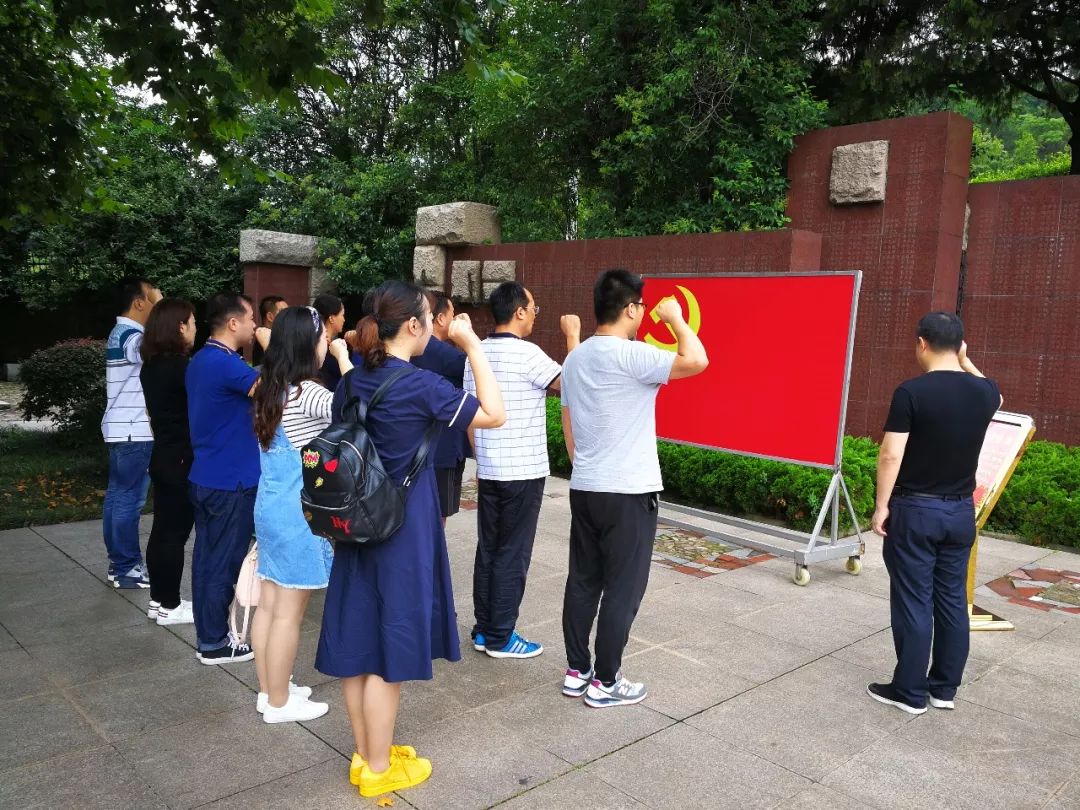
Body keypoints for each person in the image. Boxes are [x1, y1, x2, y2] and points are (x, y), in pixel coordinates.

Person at [315, 280, 505, 799]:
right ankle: (379, 769)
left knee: (357, 639)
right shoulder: (420, 385)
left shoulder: (353, 381)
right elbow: (493, 414)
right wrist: (473, 347)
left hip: (354, 525)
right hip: (403, 528)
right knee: (389, 647)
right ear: (415, 326)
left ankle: (366, 753)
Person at [559, 269, 708, 708]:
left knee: (583, 580)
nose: (644, 313)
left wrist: (582, 464)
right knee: (624, 586)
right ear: (630, 308)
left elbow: (568, 422)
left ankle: (577, 670)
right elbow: (697, 360)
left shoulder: (575, 359)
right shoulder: (633, 355)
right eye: (641, 306)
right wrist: (675, 318)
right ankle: (606, 681)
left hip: (586, 486)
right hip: (627, 492)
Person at [868, 312, 1001, 715]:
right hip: (960, 512)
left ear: (922, 343)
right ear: (959, 347)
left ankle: (909, 692)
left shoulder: (911, 392)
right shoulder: (984, 392)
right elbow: (995, 397)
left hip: (916, 510)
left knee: (914, 600)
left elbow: (891, 454)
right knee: (952, 600)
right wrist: (966, 360)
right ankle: (943, 689)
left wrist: (881, 506)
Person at [463, 281, 580, 659]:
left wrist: (480, 458)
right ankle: (501, 636)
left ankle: (484, 630)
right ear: (518, 312)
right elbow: (575, 385)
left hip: (490, 467)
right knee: (513, 552)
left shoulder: (475, 352)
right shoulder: (528, 354)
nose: (534, 316)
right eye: (533, 310)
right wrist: (573, 337)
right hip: (522, 471)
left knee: (490, 549)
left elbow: (469, 413)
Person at [249, 306, 354, 723]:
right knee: (288, 613)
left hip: (269, 507)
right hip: (298, 514)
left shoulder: (269, 388)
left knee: (270, 605)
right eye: (323, 338)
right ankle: (279, 703)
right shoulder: (307, 393)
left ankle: (270, 690)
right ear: (307, 345)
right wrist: (345, 360)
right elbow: (356, 406)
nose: (327, 343)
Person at [186, 293, 261, 665]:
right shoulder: (225, 363)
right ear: (233, 323)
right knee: (222, 563)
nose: (255, 325)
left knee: (207, 560)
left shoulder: (203, 359)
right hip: (231, 482)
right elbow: (274, 392)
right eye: (251, 319)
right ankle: (215, 642)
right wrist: (277, 347)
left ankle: (210, 635)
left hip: (209, 475)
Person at [140, 298, 198, 624]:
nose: (195, 328)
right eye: (192, 322)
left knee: (161, 530)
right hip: (182, 459)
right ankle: (171, 606)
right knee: (175, 534)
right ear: (179, 326)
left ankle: (158, 600)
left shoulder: (151, 366)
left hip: (163, 454)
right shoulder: (182, 368)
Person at [102, 276, 162, 588]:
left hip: (122, 430)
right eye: (153, 298)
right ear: (139, 303)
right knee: (129, 500)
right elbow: (155, 350)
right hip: (134, 431)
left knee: (118, 497)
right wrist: (165, 312)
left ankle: (119, 564)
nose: (157, 303)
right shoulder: (131, 336)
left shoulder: (121, 333)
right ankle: (126, 568)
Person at [412, 290, 470, 524]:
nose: (456, 319)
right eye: (453, 314)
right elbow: (479, 372)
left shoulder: (413, 350)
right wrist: (468, 338)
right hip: (443, 447)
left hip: (417, 445)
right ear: (440, 318)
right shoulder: (445, 353)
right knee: (438, 516)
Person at [313, 293, 347, 391]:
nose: (344, 320)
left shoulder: (311, 342)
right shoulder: (330, 349)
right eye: (342, 315)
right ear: (331, 318)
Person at [252, 295, 288, 365]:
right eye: (284, 312)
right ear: (270, 317)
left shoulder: (280, 337)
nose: (289, 316)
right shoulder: (264, 341)